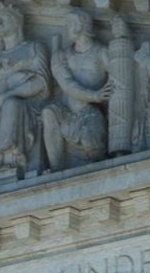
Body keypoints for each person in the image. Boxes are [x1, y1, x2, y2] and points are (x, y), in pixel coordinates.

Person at [0, 2, 51, 178]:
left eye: (3, 19)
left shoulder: (33, 48)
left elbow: (41, 82)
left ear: (16, 22)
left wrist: (8, 95)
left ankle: (10, 158)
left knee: (11, 104)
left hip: (26, 110)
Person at [42, 9, 114, 170]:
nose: (66, 27)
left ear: (82, 25)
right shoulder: (61, 56)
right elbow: (68, 85)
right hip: (66, 112)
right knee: (48, 112)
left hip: (91, 112)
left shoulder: (102, 52)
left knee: (92, 146)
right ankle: (56, 168)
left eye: (70, 24)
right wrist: (94, 95)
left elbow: (117, 80)